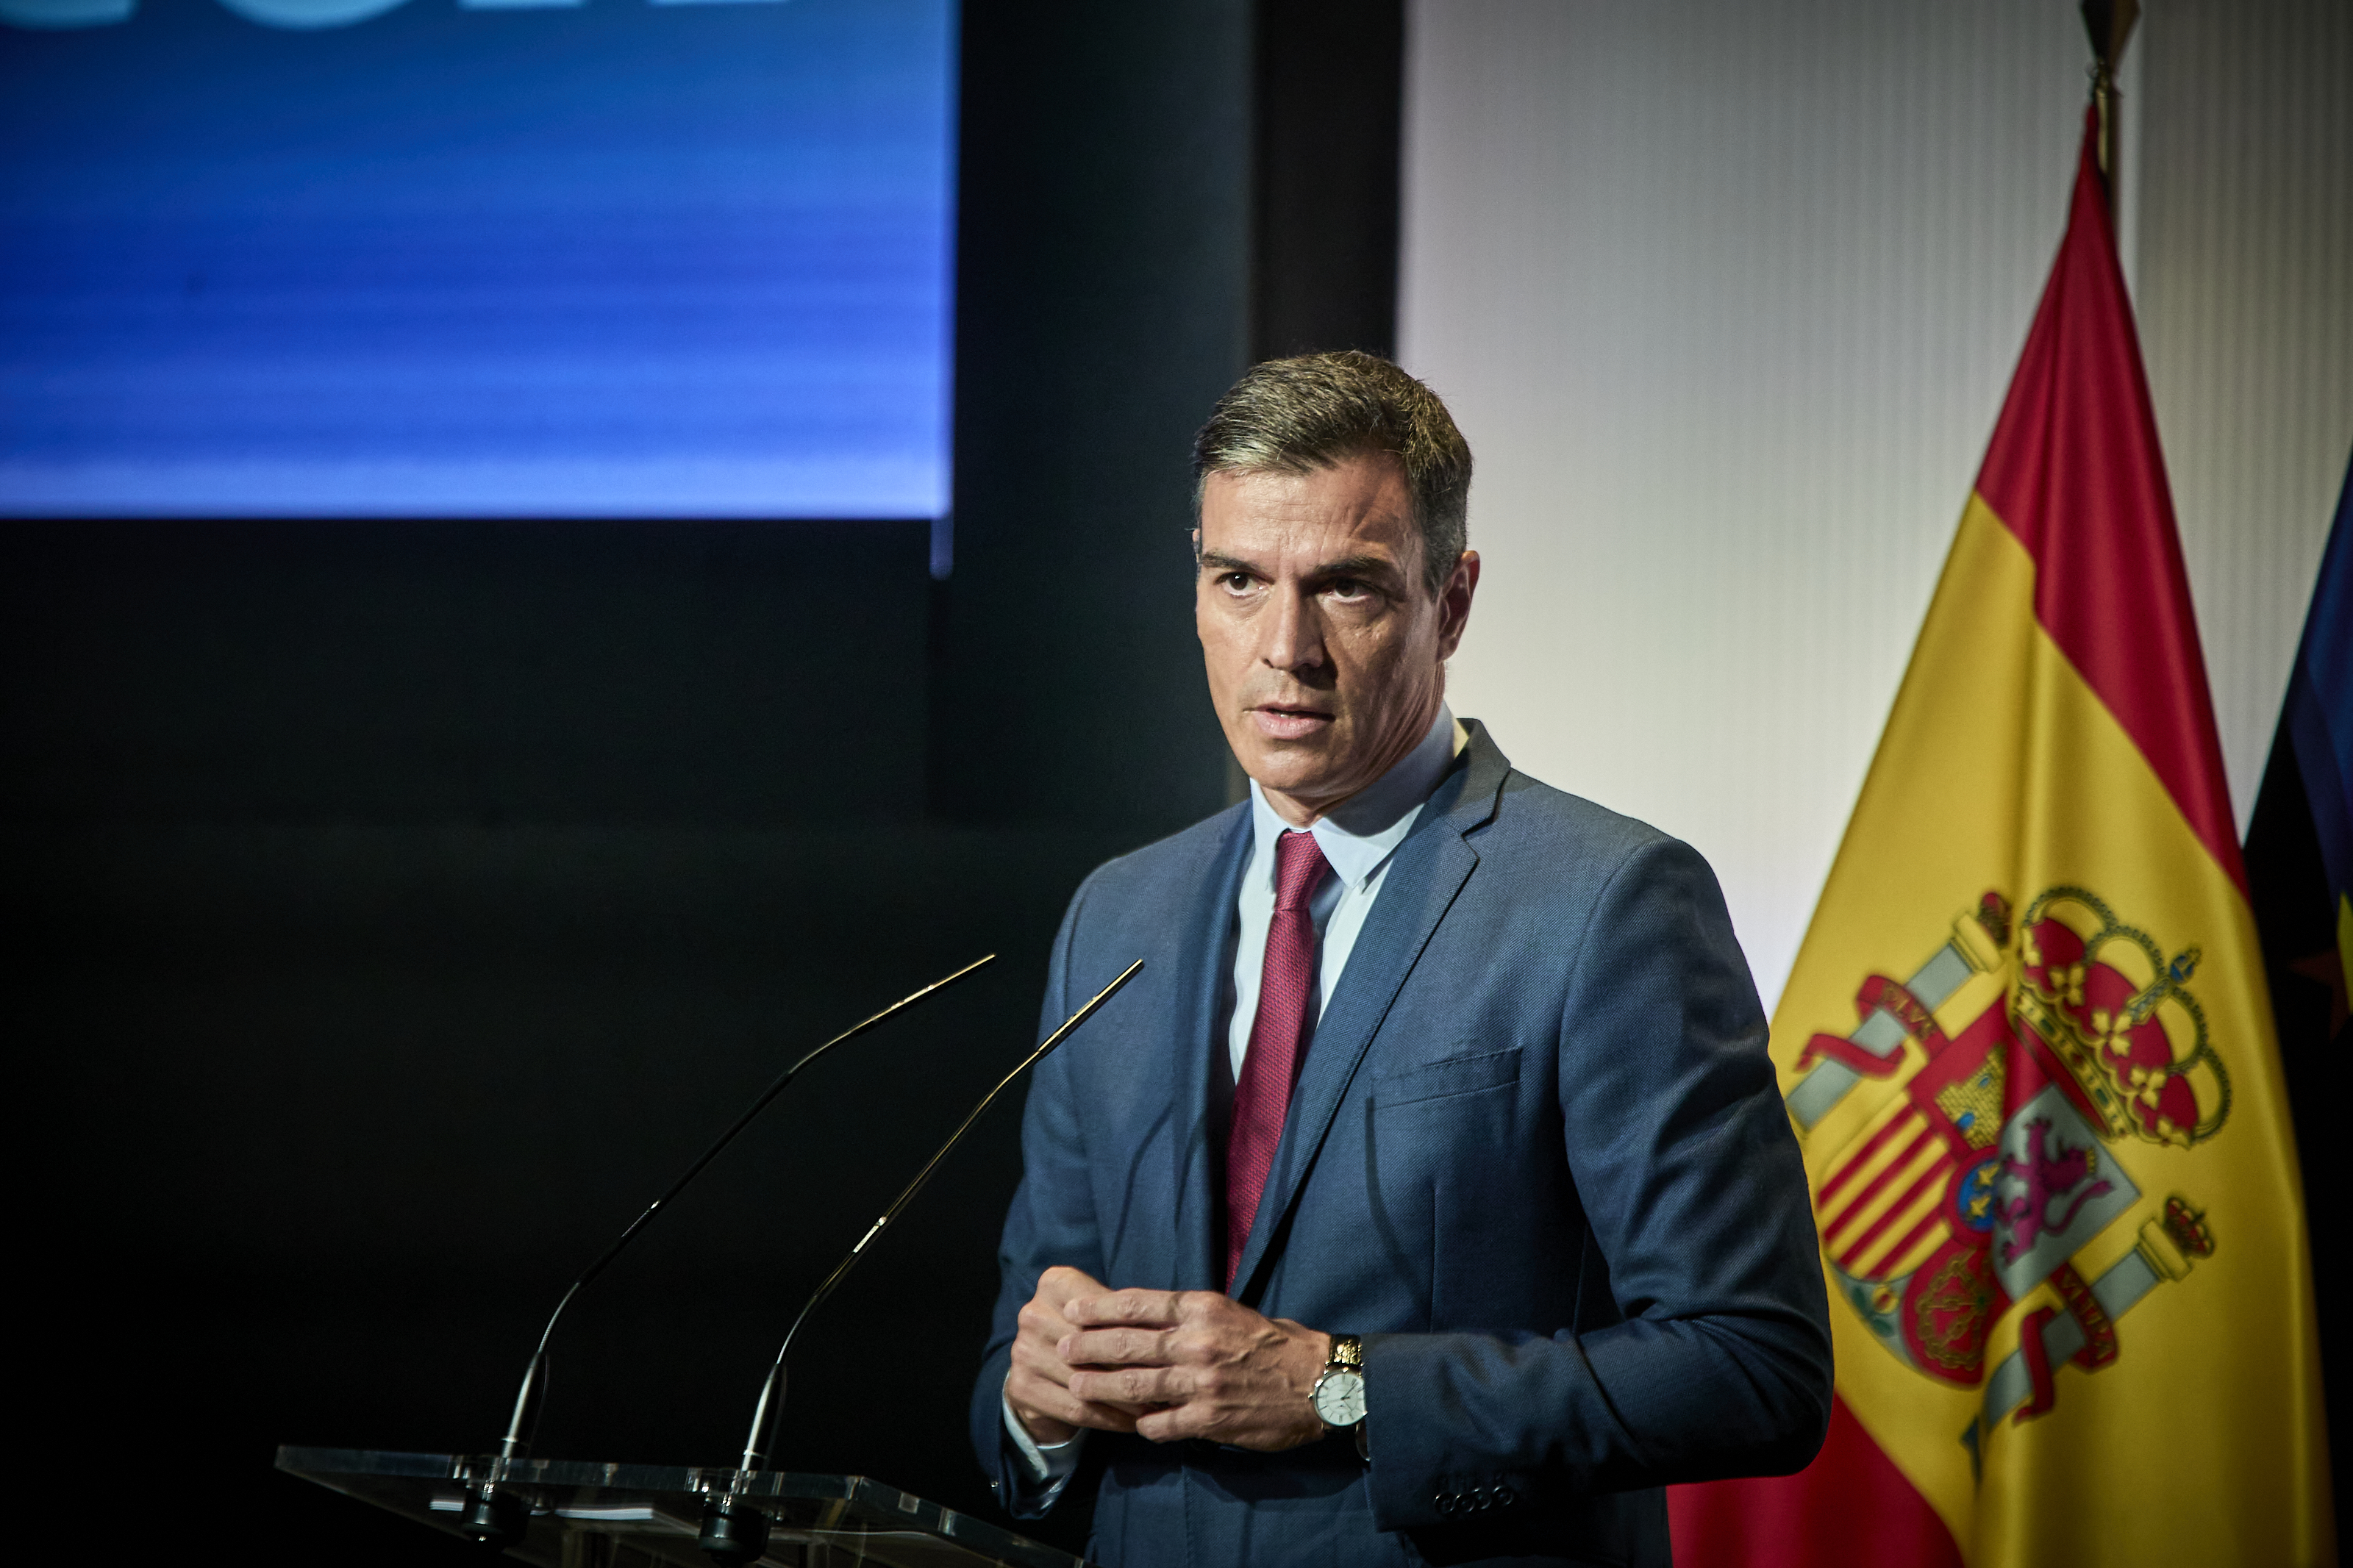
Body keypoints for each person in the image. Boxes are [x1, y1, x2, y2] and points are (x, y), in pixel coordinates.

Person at [968, 351, 1831, 1567]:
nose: (1286, 646)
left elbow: (1755, 1364)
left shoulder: (1607, 905)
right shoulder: (1118, 916)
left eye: (1349, 589)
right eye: (1238, 580)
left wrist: (1340, 1388)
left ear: (1453, 600)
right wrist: (1037, 1398)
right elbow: (1014, 1379)